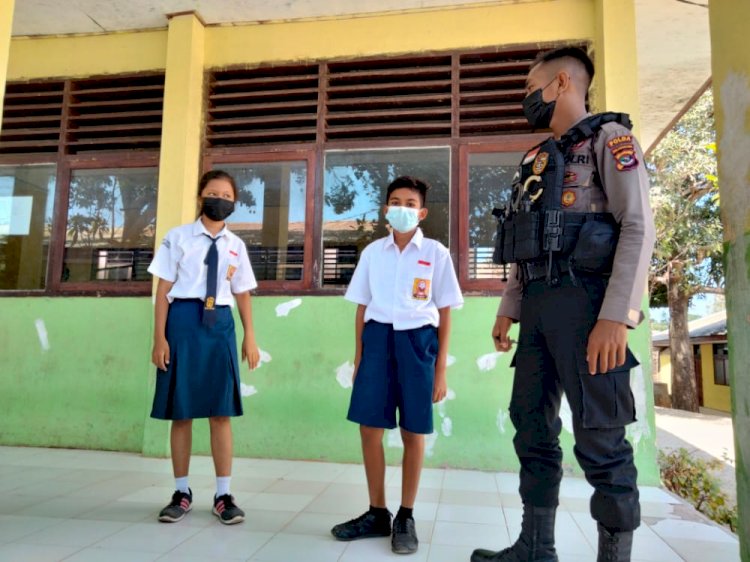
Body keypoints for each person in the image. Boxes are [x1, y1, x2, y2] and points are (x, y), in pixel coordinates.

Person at [471, 47, 655, 562]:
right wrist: (509, 305)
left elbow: (638, 226)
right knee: (530, 422)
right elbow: (523, 240)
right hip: (538, 308)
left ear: (560, 84)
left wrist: (616, 315)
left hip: (589, 305)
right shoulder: (536, 158)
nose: (526, 98)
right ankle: (535, 547)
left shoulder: (611, 141)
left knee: (601, 440)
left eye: (531, 86)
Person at [331, 176, 463, 555]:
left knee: (413, 431)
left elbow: (444, 311)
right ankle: (376, 512)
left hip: (418, 343)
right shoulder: (373, 252)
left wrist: (440, 369)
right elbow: (361, 307)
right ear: (386, 209)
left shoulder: (436, 253)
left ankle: (405, 515)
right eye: (395, 201)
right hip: (376, 341)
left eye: (410, 202)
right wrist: (359, 357)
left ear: (421, 212)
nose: (402, 208)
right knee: (370, 428)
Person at [148, 169, 261, 525]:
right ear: (201, 196)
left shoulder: (236, 246)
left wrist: (250, 336)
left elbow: (242, 292)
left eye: (227, 196)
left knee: (220, 412)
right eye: (214, 193)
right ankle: (181, 492)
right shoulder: (178, 237)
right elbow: (163, 291)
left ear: (235, 203)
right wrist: (159, 338)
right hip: (183, 323)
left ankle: (223, 495)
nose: (220, 200)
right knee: (181, 413)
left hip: (221, 327)